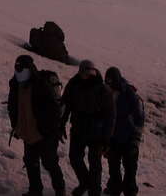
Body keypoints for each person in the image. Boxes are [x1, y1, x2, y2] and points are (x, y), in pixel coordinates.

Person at [8, 55, 66, 196]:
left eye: (22, 69)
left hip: (45, 132)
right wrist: (16, 126)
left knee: (49, 162)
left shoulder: (41, 85)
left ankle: (60, 189)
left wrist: (51, 130)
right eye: (18, 69)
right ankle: (35, 190)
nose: (19, 72)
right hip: (28, 131)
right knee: (30, 161)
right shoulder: (15, 85)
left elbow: (53, 110)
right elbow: (13, 107)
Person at [61, 60, 115, 196]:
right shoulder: (74, 84)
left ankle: (94, 191)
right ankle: (85, 182)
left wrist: (106, 138)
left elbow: (110, 116)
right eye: (84, 71)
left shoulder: (103, 89)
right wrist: (61, 124)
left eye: (89, 71)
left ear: (93, 71)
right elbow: (65, 104)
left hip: (96, 132)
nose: (86, 74)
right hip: (78, 128)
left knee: (95, 163)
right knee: (74, 157)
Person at [103, 67, 144, 196]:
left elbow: (139, 117)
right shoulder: (106, 93)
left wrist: (136, 139)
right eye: (107, 81)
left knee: (130, 169)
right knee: (113, 167)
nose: (109, 84)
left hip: (128, 138)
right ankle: (114, 189)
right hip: (113, 138)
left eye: (111, 81)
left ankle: (129, 192)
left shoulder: (129, 94)